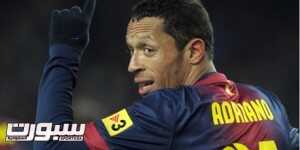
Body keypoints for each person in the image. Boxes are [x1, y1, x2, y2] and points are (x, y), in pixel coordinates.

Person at [34, 0, 299, 149]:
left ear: (194, 51)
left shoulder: (169, 110)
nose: (132, 65)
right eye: (131, 51)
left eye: (148, 49)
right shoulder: (267, 102)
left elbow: (49, 145)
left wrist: (63, 54)